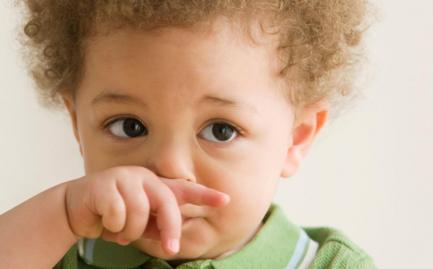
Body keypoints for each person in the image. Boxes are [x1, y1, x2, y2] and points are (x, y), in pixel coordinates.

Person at [0, 1, 376, 268]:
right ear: (77, 123)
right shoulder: (57, 252)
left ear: (296, 138)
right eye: (129, 126)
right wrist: (63, 214)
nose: (169, 167)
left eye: (221, 130)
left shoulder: (331, 265)